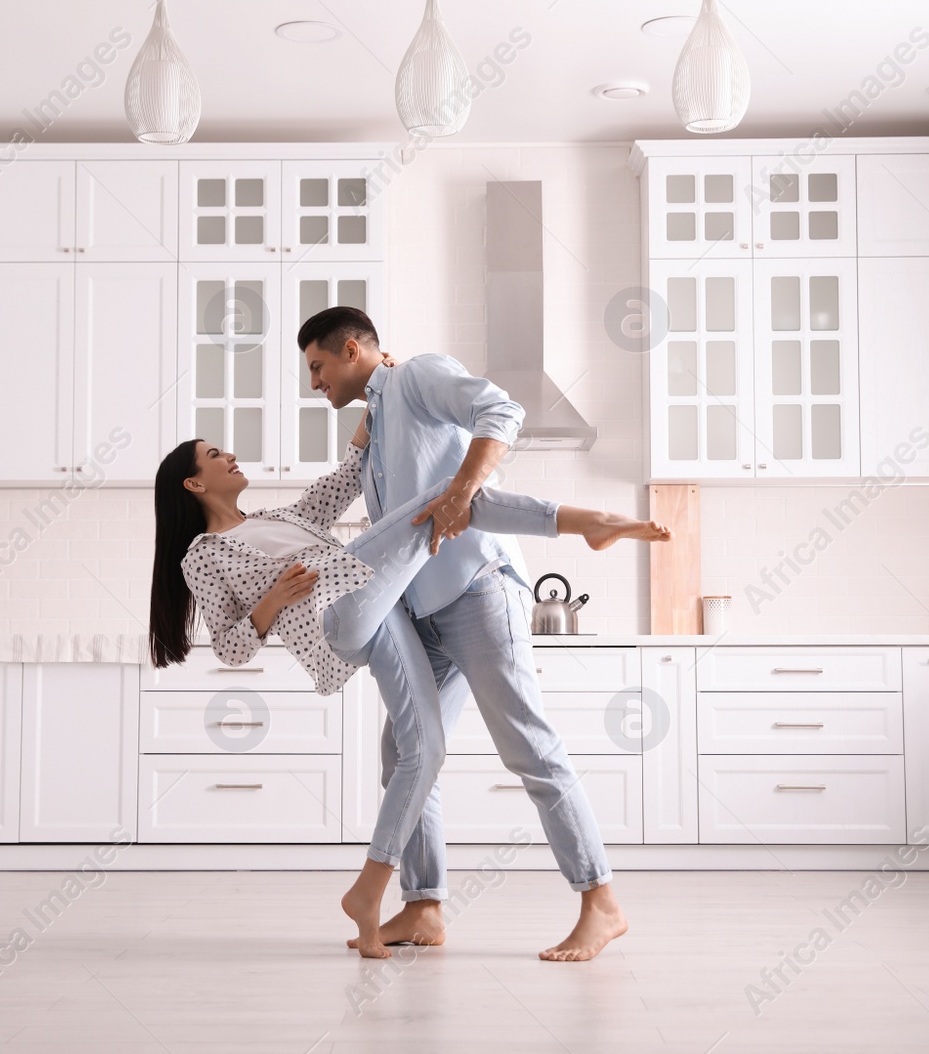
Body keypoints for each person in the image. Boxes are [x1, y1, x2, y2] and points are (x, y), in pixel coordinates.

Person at [148, 405, 669, 960]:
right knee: (441, 496)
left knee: (407, 752)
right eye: (214, 454)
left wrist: (374, 413)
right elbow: (230, 646)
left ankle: (420, 907)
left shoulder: (283, 517)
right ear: (194, 482)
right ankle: (583, 521)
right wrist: (274, 598)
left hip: (380, 601)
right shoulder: (203, 554)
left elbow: (342, 483)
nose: (229, 455)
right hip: (342, 609)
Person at [296, 306, 641, 962]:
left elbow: (502, 411)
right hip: (425, 610)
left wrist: (463, 485)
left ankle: (601, 901)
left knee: (527, 745)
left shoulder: (418, 375)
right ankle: (424, 905)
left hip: (478, 588)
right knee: (403, 750)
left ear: (348, 349)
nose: (314, 382)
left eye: (317, 366)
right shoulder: (376, 430)